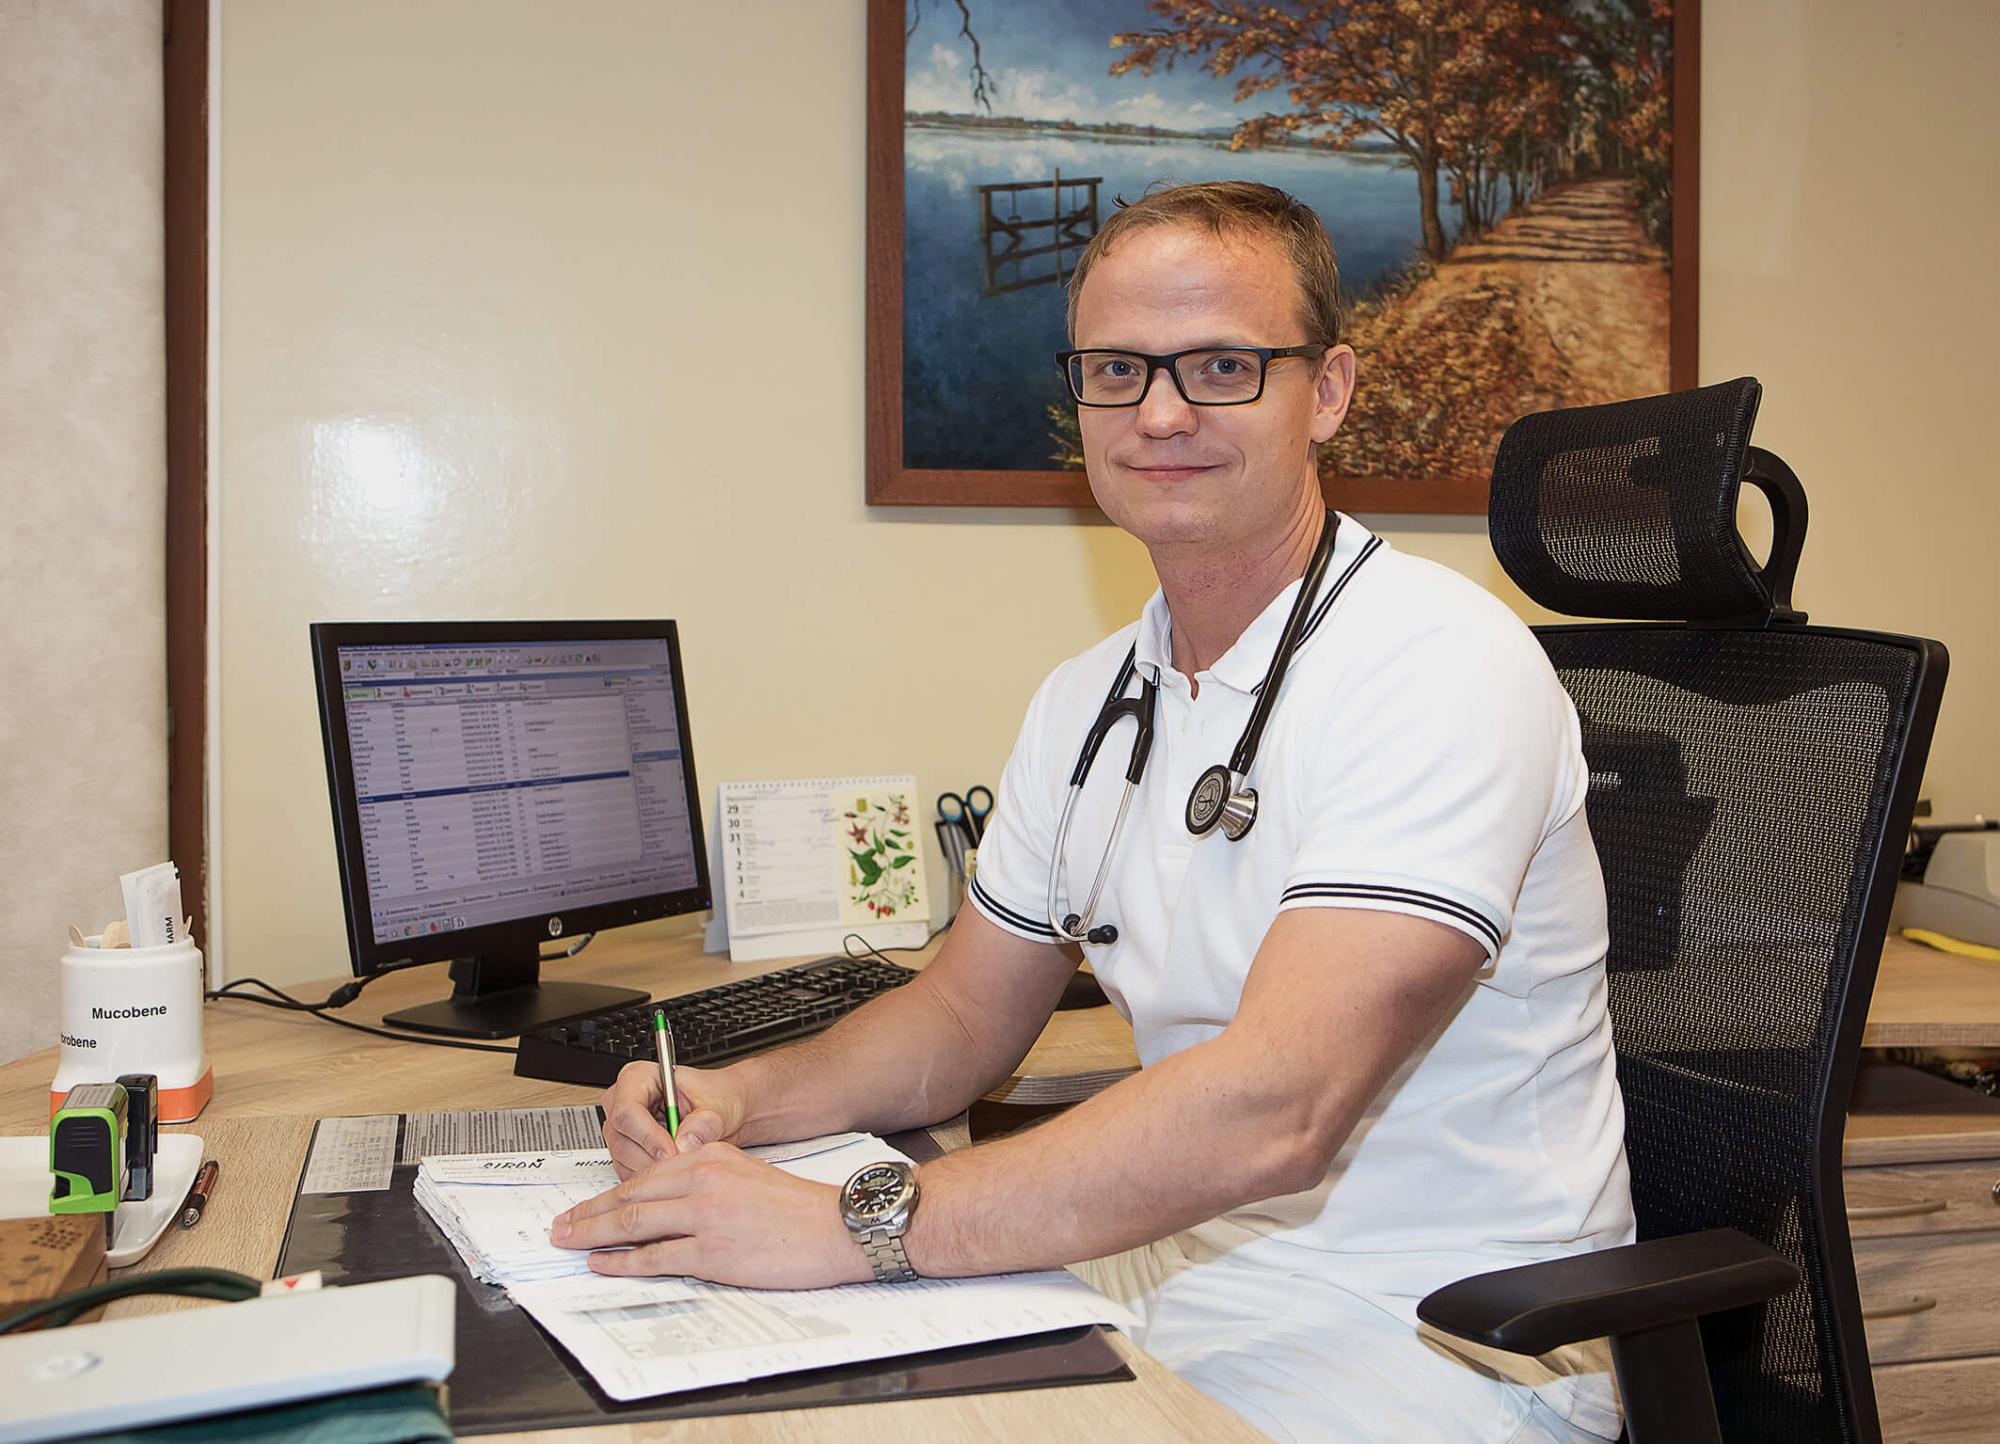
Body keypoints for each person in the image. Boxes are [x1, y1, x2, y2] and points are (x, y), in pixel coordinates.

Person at [551, 181, 1634, 1442]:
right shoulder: (1091, 696)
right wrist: (739, 1099)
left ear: (1327, 391)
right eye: (1117, 370)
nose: (1160, 413)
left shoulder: (1438, 664)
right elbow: (959, 1020)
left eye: (1221, 366)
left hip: (1440, 1330)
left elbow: (1277, 1108)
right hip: (1166, 1259)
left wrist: (851, 1226)